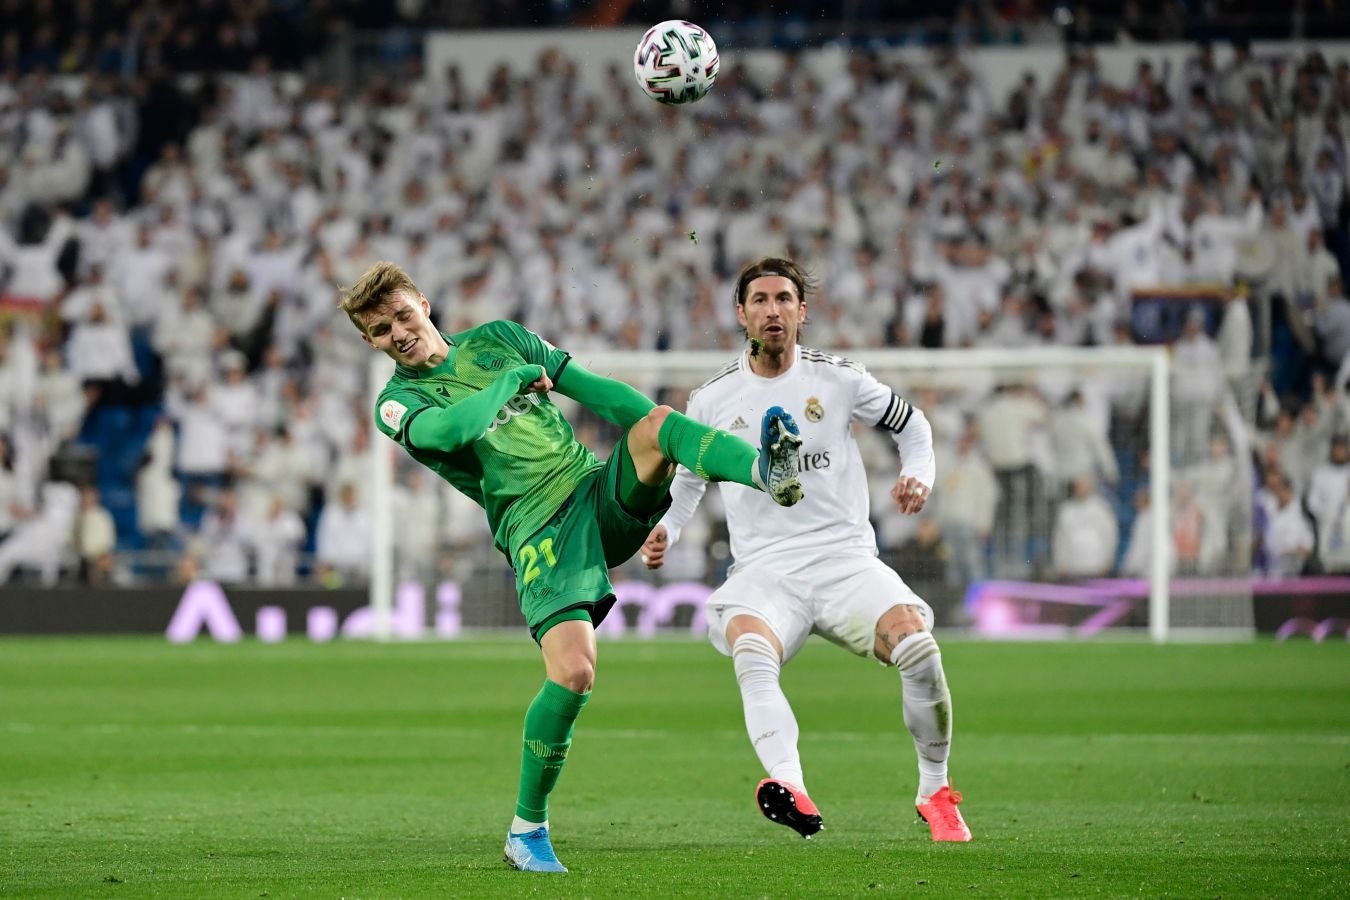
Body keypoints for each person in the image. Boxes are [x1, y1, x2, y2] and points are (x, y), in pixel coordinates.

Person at [341, 261, 805, 873]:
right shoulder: (397, 404)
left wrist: (655, 432)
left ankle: (768, 472)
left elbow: (599, 390)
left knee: (660, 423)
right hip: (536, 530)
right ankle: (526, 829)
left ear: (423, 303)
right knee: (575, 673)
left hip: (592, 489)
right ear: (371, 343)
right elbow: (457, 428)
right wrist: (513, 383)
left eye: (401, 314)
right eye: (379, 330)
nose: (397, 332)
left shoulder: (501, 338)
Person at [640, 257, 971, 844]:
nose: (773, 310)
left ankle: (935, 791)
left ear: (802, 311)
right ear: (741, 314)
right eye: (761, 300)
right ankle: (791, 787)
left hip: (845, 559)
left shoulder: (838, 379)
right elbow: (690, 478)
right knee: (750, 649)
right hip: (766, 571)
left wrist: (918, 472)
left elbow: (912, 423)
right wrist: (669, 527)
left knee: (919, 649)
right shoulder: (712, 399)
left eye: (784, 299)